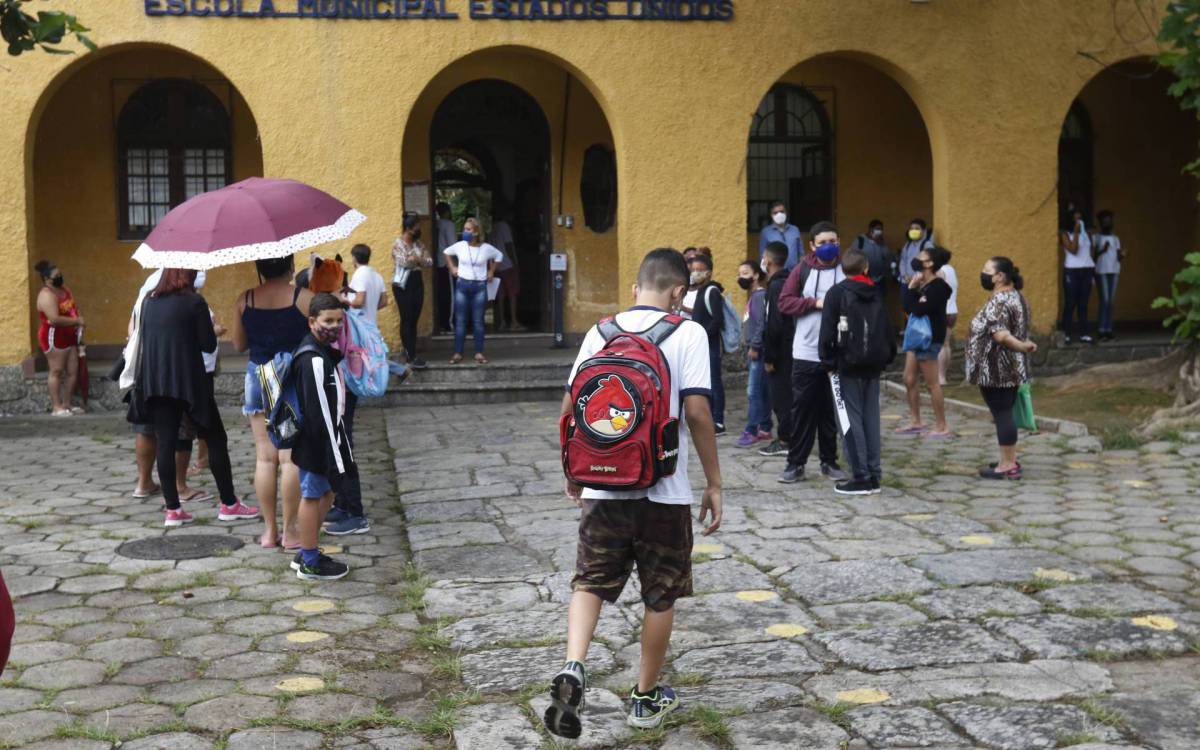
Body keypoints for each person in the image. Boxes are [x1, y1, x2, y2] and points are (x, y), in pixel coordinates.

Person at [544, 248, 722, 739]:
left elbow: (570, 405)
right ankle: (644, 699)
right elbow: (698, 413)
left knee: (589, 581)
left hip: (602, 482)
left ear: (635, 288)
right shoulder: (689, 331)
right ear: (679, 292)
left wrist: (574, 469)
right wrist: (714, 482)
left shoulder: (600, 332)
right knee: (660, 595)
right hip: (663, 490)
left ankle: (574, 665)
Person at [137, 268, 257, 527]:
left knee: (165, 442)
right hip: (190, 381)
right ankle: (229, 503)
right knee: (215, 438)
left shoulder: (149, 302)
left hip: (157, 380)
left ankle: (172, 510)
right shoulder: (194, 302)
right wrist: (210, 328)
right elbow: (208, 344)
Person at [233, 256, 314, 548]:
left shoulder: (245, 300)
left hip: (258, 377)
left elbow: (239, 345)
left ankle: (269, 532)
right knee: (289, 457)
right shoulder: (304, 298)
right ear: (291, 267)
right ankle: (290, 531)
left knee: (265, 458)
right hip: (291, 379)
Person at [818, 247, 895, 495]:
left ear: (843, 269)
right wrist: (887, 358)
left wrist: (827, 362)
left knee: (849, 419)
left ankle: (860, 476)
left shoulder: (836, 293)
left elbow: (827, 331)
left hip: (846, 365)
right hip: (873, 365)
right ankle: (874, 474)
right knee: (871, 419)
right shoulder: (876, 292)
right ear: (866, 268)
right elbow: (887, 328)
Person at [777, 221, 849, 483]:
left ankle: (829, 462)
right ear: (812, 246)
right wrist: (815, 303)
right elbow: (785, 302)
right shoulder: (802, 270)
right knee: (803, 411)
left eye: (833, 241)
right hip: (806, 351)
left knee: (830, 411)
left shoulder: (847, 268)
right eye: (822, 243)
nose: (828, 247)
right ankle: (795, 463)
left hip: (838, 352)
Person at [290, 293, 356, 580]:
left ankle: (308, 548)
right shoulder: (313, 359)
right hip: (317, 442)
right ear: (312, 321)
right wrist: (334, 451)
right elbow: (320, 413)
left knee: (327, 493)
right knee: (313, 495)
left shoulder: (323, 352)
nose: (335, 327)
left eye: (339, 321)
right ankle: (309, 561)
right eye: (328, 321)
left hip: (325, 438)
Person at [966, 257, 1037, 480]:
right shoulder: (1016, 296)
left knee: (1002, 413)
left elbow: (1002, 335)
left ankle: (1008, 465)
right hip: (1010, 366)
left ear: (999, 276)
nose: (983, 273)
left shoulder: (1000, 301)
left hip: (997, 368)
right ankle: (1007, 458)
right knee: (1004, 411)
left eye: (987, 270)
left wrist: (1022, 346)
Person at [897, 245, 953, 438]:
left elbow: (918, 309)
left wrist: (912, 291)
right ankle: (915, 421)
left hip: (929, 338)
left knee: (932, 383)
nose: (916, 259)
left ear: (929, 263)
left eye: (921, 257)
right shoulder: (923, 284)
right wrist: (912, 289)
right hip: (916, 336)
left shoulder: (939, 287)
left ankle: (942, 426)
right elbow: (907, 306)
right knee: (909, 379)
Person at [444, 217, 503, 365]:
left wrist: (491, 271)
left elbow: (499, 256)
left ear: (476, 231)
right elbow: (446, 252)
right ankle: (458, 353)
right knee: (460, 321)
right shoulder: (460, 246)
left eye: (468, 229)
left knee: (478, 321)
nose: (465, 232)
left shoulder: (486, 248)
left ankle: (479, 353)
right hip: (462, 285)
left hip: (480, 287)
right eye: (464, 229)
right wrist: (452, 267)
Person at [34, 260, 84, 417]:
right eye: (56, 275)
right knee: (56, 370)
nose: (60, 277)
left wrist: (78, 322)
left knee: (72, 371)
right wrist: (77, 321)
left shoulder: (64, 289)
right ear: (47, 279)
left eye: (60, 274)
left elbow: (73, 308)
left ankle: (67, 404)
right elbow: (54, 319)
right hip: (53, 336)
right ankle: (57, 407)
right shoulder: (46, 295)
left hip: (69, 335)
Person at [759, 241, 794, 458]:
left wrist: (770, 357)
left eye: (764, 256)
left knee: (781, 397)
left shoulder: (775, 286)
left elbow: (774, 323)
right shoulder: (788, 281)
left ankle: (785, 439)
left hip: (781, 351)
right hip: (789, 347)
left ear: (769, 261)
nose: (762, 260)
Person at [685, 253, 727, 435]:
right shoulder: (700, 291)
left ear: (708, 273)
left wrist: (702, 336)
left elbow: (718, 320)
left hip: (711, 347)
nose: (694, 273)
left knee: (715, 382)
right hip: (701, 347)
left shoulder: (712, 292)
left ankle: (718, 421)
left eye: (699, 270)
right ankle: (709, 417)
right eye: (693, 270)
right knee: (706, 383)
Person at [737, 260, 772, 447]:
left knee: (753, 392)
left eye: (745, 273)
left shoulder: (759, 296)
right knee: (762, 390)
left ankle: (752, 430)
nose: (741, 277)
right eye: (739, 274)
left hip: (757, 350)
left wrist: (755, 346)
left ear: (756, 275)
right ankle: (765, 427)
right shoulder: (755, 296)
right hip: (756, 348)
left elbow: (761, 324)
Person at [391, 213, 433, 369]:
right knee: (406, 318)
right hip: (403, 283)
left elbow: (429, 261)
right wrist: (418, 259)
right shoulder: (398, 244)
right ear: (408, 228)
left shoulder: (419, 244)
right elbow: (404, 263)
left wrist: (416, 259)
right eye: (416, 227)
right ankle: (409, 355)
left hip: (416, 281)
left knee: (414, 318)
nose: (419, 229)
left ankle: (413, 354)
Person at [1060, 203, 1095, 344]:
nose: (1078, 222)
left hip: (1087, 270)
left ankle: (1084, 334)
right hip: (1072, 271)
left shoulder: (1087, 234)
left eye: (1080, 219)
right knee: (1070, 302)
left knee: (1083, 303)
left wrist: (1092, 268)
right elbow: (1073, 250)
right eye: (1075, 219)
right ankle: (1066, 333)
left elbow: (1090, 251)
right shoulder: (1065, 234)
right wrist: (1075, 232)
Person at [1093, 209, 1123, 341]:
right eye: (1105, 221)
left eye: (1109, 221)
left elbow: (1118, 256)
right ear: (1100, 222)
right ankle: (1101, 330)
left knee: (1111, 302)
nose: (1107, 223)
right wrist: (1102, 250)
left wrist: (1122, 255)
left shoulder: (1116, 238)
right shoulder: (1096, 238)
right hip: (1101, 271)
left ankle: (1109, 329)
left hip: (1114, 270)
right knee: (1104, 300)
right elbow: (1093, 256)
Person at [491, 206, 522, 331]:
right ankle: (514, 321)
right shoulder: (504, 226)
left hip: (497, 265)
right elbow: (508, 245)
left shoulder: (493, 227)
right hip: (507, 264)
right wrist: (515, 262)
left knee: (501, 295)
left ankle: (502, 321)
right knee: (512, 293)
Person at [757, 200, 803, 270]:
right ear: (771, 215)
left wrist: (801, 271)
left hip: (794, 272)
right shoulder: (766, 232)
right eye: (775, 213)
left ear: (786, 213)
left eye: (782, 211)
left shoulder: (795, 230)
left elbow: (801, 253)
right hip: (776, 272)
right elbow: (762, 256)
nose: (779, 214)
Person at [855, 219, 896, 295]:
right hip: (864, 278)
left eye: (881, 229)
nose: (879, 231)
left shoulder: (881, 241)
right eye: (877, 229)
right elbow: (854, 256)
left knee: (879, 299)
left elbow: (888, 257)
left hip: (879, 279)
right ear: (870, 229)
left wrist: (881, 244)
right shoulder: (860, 240)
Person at [434, 202, 457, 333]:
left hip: (438, 263)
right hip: (448, 263)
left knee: (441, 294)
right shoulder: (449, 225)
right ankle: (448, 324)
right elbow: (453, 246)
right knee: (450, 295)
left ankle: (441, 322)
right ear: (447, 211)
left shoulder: (436, 224)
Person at [937, 259, 959, 386]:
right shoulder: (951, 270)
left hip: (943, 311)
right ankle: (943, 375)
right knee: (946, 344)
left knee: (940, 345)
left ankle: (940, 377)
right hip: (953, 310)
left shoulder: (940, 271)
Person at [897, 219, 934, 287]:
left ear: (924, 231)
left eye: (917, 229)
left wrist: (918, 279)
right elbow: (903, 261)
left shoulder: (927, 245)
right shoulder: (907, 245)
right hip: (906, 282)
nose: (913, 231)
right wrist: (904, 275)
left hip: (920, 283)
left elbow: (930, 264)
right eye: (911, 229)